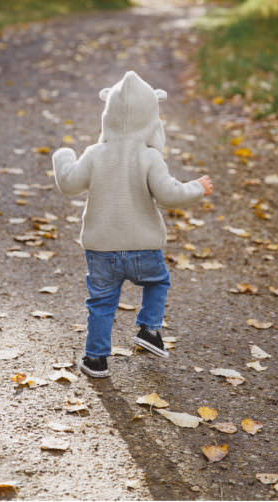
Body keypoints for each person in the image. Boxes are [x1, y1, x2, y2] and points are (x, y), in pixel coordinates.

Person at [52, 68, 212, 378]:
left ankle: (96, 359)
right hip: (144, 248)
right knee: (157, 282)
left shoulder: (94, 153)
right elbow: (168, 195)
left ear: (107, 115)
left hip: (101, 250)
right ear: (152, 119)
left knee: (101, 303)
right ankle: (149, 330)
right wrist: (196, 187)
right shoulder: (150, 157)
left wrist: (62, 156)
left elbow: (69, 183)